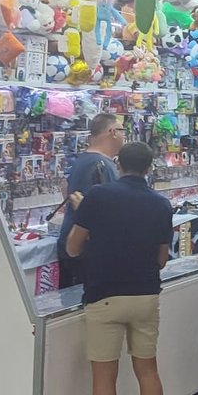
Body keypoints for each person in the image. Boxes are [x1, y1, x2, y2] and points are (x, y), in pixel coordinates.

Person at [63, 142, 170, 395]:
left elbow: (72, 248)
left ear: (118, 164)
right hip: (145, 295)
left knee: (103, 380)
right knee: (148, 370)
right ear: (150, 168)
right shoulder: (161, 204)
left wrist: (87, 217)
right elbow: (162, 258)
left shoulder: (98, 197)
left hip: (104, 297)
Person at [57, 113, 124, 288]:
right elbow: (101, 213)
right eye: (123, 131)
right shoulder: (99, 165)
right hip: (85, 251)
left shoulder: (84, 161)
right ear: (113, 132)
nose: (125, 136)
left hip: (77, 247)